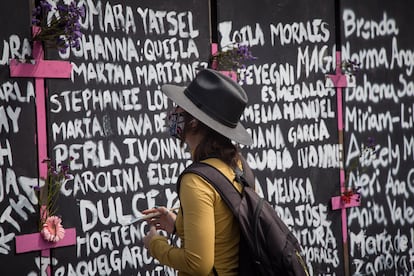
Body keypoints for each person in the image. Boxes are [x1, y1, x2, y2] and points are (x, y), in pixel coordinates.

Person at [142, 68, 253, 276]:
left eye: (179, 108)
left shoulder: (196, 181)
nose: (172, 113)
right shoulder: (237, 165)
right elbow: (224, 234)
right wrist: (178, 226)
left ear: (193, 123)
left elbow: (198, 265)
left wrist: (155, 244)